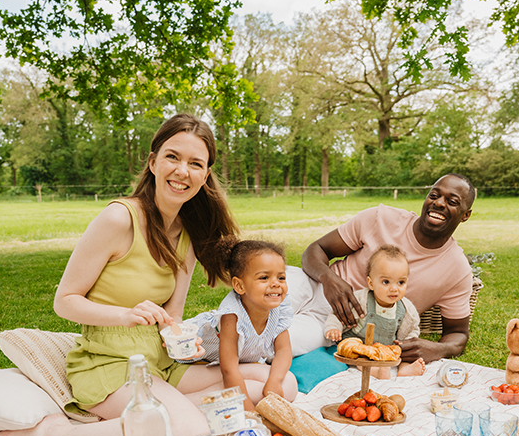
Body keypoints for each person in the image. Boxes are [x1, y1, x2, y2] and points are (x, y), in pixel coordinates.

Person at [0, 114, 281, 436]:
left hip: (160, 362)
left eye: (195, 163)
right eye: (172, 157)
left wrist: (182, 340)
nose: (181, 171)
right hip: (110, 364)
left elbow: (173, 314)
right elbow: (64, 301)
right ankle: (57, 431)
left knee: (275, 386)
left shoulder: (188, 235)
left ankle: (158, 415)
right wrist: (125, 314)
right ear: (153, 162)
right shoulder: (119, 219)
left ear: (205, 175)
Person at [286, 174, 476, 363]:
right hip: (313, 284)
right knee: (260, 294)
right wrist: (328, 279)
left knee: (279, 343)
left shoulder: (457, 270)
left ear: (465, 215)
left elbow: (458, 333)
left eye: (452, 201)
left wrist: (437, 349)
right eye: (434, 195)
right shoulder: (381, 218)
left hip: (336, 322)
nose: (439, 203)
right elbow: (316, 249)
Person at [184, 239, 298, 411]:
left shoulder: (278, 309)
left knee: (288, 384)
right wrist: (250, 413)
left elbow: (283, 350)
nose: (276, 283)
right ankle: (183, 403)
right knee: (256, 390)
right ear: (239, 285)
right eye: (264, 277)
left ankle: (207, 401)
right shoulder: (232, 316)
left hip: (228, 366)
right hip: (192, 366)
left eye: (281, 277)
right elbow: (229, 370)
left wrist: (274, 382)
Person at [324, 244, 426, 379]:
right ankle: (376, 372)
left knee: (405, 354)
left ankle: (405, 368)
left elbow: (412, 330)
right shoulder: (361, 300)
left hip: (385, 350)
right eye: (386, 282)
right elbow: (339, 314)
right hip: (359, 346)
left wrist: (406, 344)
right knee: (360, 358)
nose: (394, 289)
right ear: (371, 283)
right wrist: (334, 328)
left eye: (400, 282)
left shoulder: (407, 310)